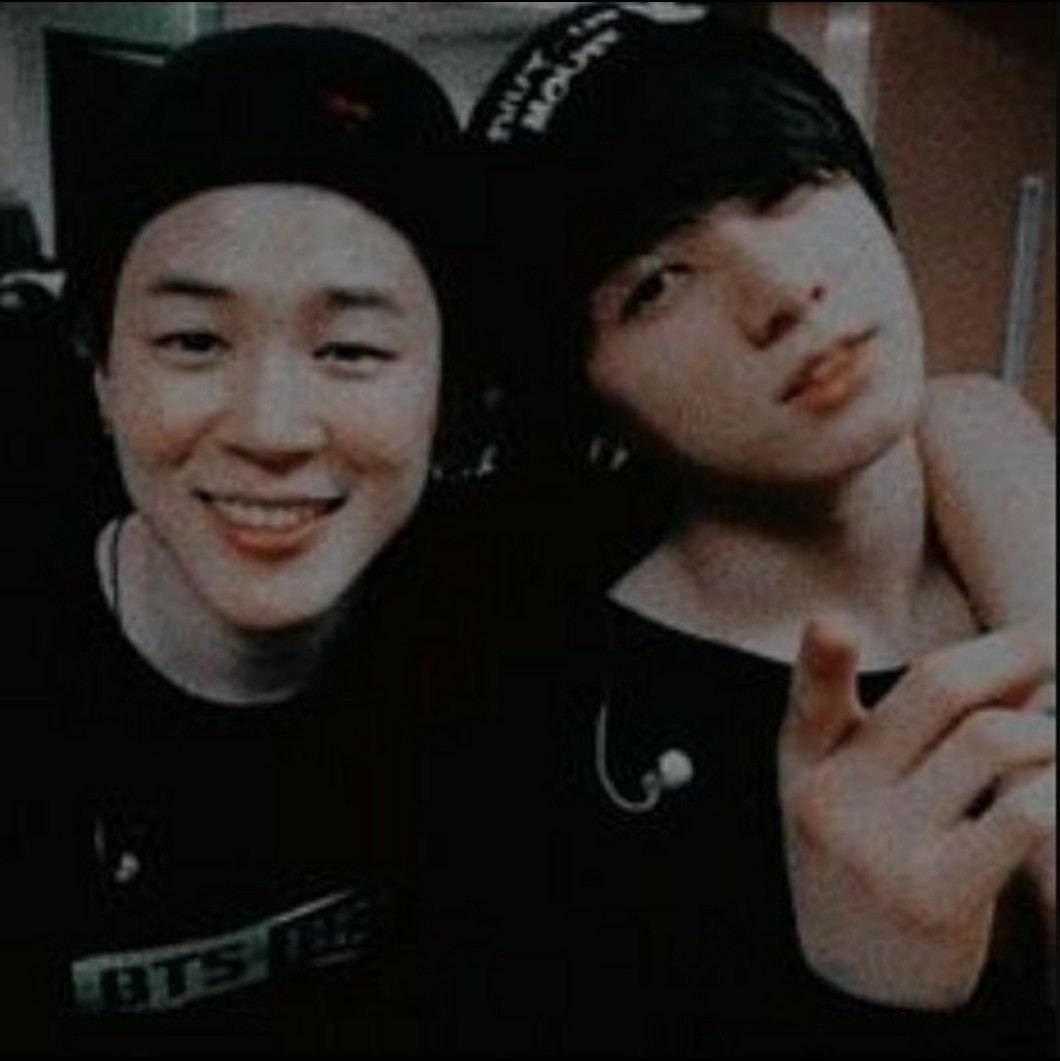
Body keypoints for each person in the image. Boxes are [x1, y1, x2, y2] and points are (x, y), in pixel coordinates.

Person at [458, 3, 1055, 1054]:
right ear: (584, 395)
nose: (781, 290)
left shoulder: (1009, 487)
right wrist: (867, 996)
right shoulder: (558, 741)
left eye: (785, 187)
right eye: (655, 285)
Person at [1, 24, 473, 1056]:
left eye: (351, 348)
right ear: (101, 373)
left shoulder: (500, 664)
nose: (269, 427)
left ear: (444, 396)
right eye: (192, 341)